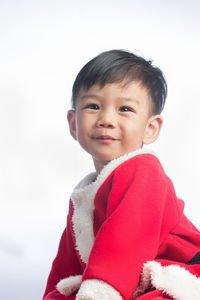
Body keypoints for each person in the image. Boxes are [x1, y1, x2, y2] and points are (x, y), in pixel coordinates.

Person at [43, 50, 200, 300]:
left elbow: (124, 243)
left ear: (150, 128)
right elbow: (66, 267)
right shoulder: (85, 195)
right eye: (93, 106)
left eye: (124, 109)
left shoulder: (144, 171)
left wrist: (99, 294)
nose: (106, 119)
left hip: (181, 273)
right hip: (127, 280)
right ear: (73, 123)